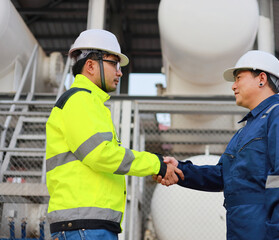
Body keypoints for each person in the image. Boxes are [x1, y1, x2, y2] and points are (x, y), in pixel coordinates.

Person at [156, 50, 279, 240]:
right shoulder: (245, 131)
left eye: (238, 78)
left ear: (261, 78)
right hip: (244, 230)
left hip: (271, 232)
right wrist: (180, 170)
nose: (233, 86)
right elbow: (222, 176)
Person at [45, 29, 184, 240]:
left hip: (87, 225)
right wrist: (157, 164)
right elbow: (101, 154)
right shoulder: (80, 101)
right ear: (90, 65)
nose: (119, 72)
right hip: (83, 227)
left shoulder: (90, 103)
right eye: (114, 64)